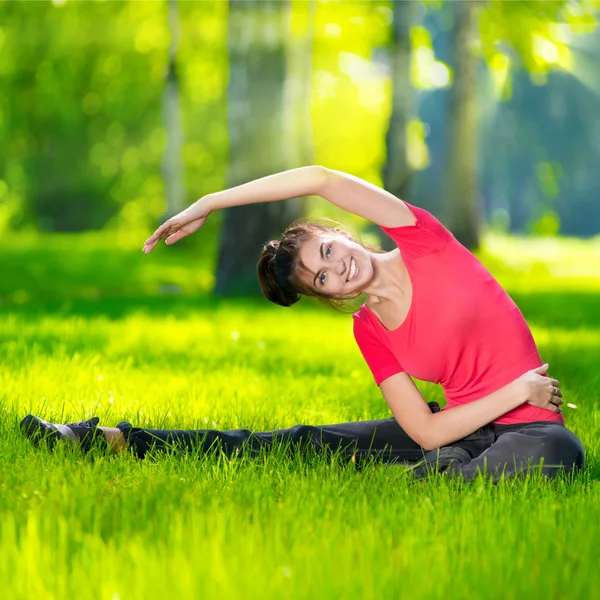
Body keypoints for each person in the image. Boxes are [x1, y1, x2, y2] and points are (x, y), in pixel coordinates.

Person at [21, 166, 585, 481]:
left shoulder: (423, 240)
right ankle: (105, 440)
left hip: (531, 431)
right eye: (321, 278)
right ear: (327, 295)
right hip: (458, 428)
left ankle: (447, 475)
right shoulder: (370, 330)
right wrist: (517, 388)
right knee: (299, 443)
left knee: (558, 454)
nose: (336, 267)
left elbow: (318, 177)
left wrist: (210, 203)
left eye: (327, 251)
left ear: (338, 232)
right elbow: (427, 431)